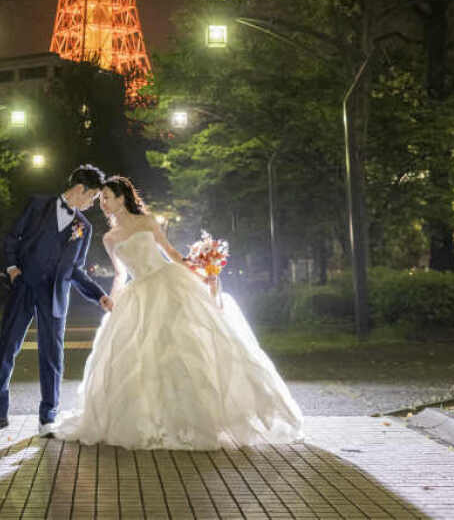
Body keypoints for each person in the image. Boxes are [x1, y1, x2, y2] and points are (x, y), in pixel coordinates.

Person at [54, 175, 304, 449]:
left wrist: (202, 271)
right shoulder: (109, 238)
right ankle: (151, 418)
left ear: (123, 197)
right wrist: (110, 301)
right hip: (137, 294)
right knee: (140, 358)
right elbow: (119, 274)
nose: (103, 203)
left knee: (184, 350)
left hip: (168, 282)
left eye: (107, 197)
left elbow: (172, 253)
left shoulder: (148, 223)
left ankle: (195, 418)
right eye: (101, 199)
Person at [0, 164, 114, 438]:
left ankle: (47, 419)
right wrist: (12, 269)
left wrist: (99, 295)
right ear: (79, 189)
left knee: (52, 357)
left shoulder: (83, 226)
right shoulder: (37, 205)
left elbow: (75, 270)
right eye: (93, 197)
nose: (93, 203)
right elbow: (12, 237)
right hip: (24, 287)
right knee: (6, 351)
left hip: (55, 296)